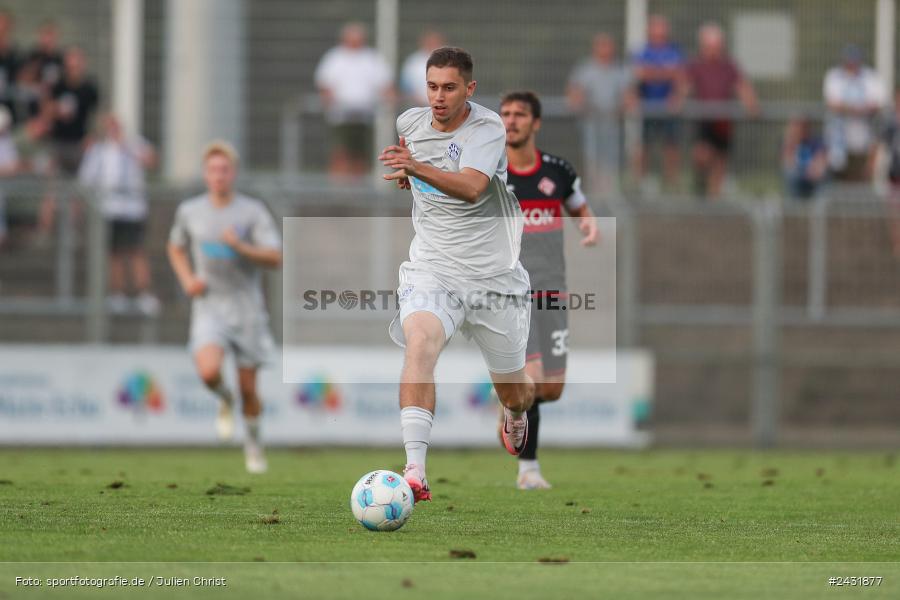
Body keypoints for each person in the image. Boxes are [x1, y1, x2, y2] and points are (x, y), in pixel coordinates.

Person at [379, 47, 535, 502]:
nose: (439, 97)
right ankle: (414, 471)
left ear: (470, 88)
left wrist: (415, 169)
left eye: (449, 88)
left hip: (494, 278)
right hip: (433, 267)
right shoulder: (409, 124)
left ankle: (514, 414)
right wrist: (409, 177)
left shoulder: (487, 128)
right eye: (432, 87)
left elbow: (471, 187)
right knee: (420, 343)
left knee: (515, 392)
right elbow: (414, 171)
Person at [501, 91, 598, 489]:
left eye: (520, 115)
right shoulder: (490, 173)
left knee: (551, 388)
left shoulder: (558, 171)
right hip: (509, 291)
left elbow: (580, 208)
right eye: (505, 114)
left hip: (552, 289)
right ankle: (529, 469)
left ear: (536, 122)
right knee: (533, 373)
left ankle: (511, 403)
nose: (511, 121)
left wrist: (588, 225)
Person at [167, 141, 282, 474]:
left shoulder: (252, 212)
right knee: (207, 372)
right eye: (213, 170)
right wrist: (188, 278)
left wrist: (241, 247)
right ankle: (224, 398)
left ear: (234, 173)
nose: (219, 176)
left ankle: (254, 445)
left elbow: (276, 257)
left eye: (225, 169)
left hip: (247, 310)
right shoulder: (190, 211)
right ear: (205, 174)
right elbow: (175, 247)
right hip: (210, 306)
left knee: (250, 389)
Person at [78, 114, 159, 315]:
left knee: (136, 251)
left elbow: (150, 162)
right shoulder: (98, 150)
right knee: (113, 253)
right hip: (110, 209)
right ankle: (118, 294)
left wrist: (127, 148)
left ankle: (143, 293)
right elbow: (86, 179)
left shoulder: (135, 144)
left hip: (133, 209)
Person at [685, 22, 758, 199]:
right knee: (702, 155)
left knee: (720, 163)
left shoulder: (729, 66)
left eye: (716, 46)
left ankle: (714, 206)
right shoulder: (696, 65)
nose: (713, 50)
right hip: (704, 122)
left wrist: (751, 103)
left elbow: (742, 87)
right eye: (710, 46)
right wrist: (677, 100)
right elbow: (684, 84)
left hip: (723, 123)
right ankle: (701, 187)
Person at [314, 22, 393, 178]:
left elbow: (386, 86)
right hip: (341, 117)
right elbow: (324, 85)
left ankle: (359, 194)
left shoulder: (372, 58)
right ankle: (338, 192)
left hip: (366, 117)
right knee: (340, 154)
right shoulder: (334, 58)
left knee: (361, 156)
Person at [38, 46, 99, 237]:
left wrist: (92, 136)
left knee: (77, 193)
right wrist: (55, 108)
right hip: (58, 144)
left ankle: (73, 233)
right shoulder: (58, 86)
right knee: (51, 191)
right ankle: (45, 232)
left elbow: (94, 116)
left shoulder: (89, 88)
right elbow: (45, 112)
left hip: (79, 146)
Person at [567, 33, 633, 195]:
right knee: (592, 161)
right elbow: (574, 94)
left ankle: (610, 196)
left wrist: (621, 107)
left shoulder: (620, 70)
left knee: (610, 163)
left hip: (612, 126)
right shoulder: (585, 69)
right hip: (591, 126)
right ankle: (594, 196)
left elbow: (629, 96)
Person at [631, 15, 685, 190]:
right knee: (644, 146)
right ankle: (640, 182)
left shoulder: (675, 51)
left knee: (671, 146)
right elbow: (639, 74)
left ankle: (671, 183)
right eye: (656, 27)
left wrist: (653, 73)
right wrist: (665, 73)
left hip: (669, 110)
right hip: (648, 108)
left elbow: (680, 76)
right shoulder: (642, 51)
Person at [823, 45, 885, 182]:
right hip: (841, 138)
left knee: (867, 172)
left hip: (865, 136)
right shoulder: (834, 76)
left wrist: (851, 109)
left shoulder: (870, 76)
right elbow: (833, 105)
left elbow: (877, 104)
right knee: (838, 171)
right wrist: (857, 109)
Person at [782, 117, 827, 201]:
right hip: (798, 173)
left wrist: (813, 169)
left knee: (824, 176)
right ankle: (795, 206)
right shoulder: (790, 143)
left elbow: (821, 159)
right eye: (796, 126)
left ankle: (818, 210)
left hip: (812, 173)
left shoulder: (816, 142)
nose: (799, 129)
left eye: (802, 126)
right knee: (791, 175)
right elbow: (787, 162)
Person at [400, 29, 446, 107]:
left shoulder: (451, 59)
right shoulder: (413, 61)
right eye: (430, 41)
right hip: (418, 106)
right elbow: (405, 86)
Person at [880, 90, 900, 258]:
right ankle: (896, 243)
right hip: (895, 173)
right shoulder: (891, 123)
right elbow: (882, 144)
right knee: (894, 210)